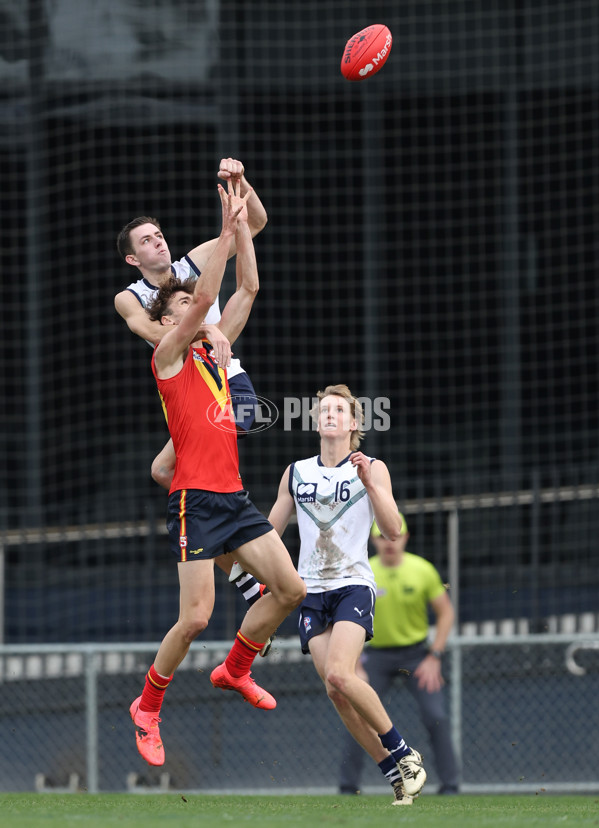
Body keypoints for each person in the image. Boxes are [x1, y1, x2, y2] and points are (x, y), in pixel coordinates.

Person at [128, 179, 306, 766]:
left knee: (291, 589)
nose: (190, 305)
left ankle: (236, 669)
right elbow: (203, 302)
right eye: (178, 305)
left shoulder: (216, 353)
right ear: (171, 321)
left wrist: (237, 223)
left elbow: (248, 286)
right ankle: (148, 706)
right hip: (197, 501)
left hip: (234, 498)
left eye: (190, 301)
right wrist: (227, 229)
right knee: (195, 617)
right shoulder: (170, 356)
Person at [115, 158, 269, 621]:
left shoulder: (193, 263)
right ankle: (244, 574)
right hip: (184, 392)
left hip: (224, 381)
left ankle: (254, 539)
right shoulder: (131, 296)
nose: (156, 241)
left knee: (231, 436)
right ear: (132, 258)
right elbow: (156, 334)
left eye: (158, 234)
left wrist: (240, 186)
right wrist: (206, 330)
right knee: (163, 472)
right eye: (145, 241)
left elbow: (255, 222)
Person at [268, 384, 427, 806]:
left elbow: (393, 530)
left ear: (354, 423)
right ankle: (395, 773)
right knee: (336, 691)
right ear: (317, 421)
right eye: (324, 409)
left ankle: (404, 750)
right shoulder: (295, 472)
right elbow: (269, 536)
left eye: (339, 409)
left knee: (341, 673)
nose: (330, 414)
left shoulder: (373, 467)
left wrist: (370, 485)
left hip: (353, 584)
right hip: (310, 592)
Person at [338, 514, 460, 796]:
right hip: (375, 656)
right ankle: (348, 788)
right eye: (381, 537)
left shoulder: (423, 570)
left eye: (394, 536)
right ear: (372, 540)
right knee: (357, 714)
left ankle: (451, 787)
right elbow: (348, 618)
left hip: (417, 656)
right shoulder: (363, 570)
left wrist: (435, 656)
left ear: (405, 537)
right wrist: (354, 664)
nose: (389, 543)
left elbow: (446, 613)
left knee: (436, 715)